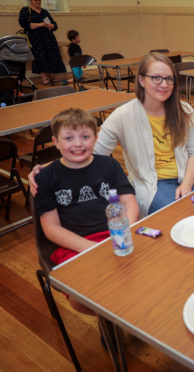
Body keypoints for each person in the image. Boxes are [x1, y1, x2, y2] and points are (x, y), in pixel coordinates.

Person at [31, 52, 194, 217]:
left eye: (169, 79)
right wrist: (48, 167)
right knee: (183, 216)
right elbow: (93, 152)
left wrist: (186, 184)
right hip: (154, 184)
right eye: (156, 78)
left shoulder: (184, 110)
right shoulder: (123, 115)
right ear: (142, 80)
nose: (164, 84)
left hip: (191, 176)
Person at [34, 108, 139, 314]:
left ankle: (129, 313)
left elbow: (129, 203)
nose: (78, 143)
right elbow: (51, 228)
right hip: (75, 244)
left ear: (95, 138)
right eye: (69, 138)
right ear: (55, 142)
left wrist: (124, 232)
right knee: (83, 296)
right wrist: (91, 247)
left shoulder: (109, 165)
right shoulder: (46, 177)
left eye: (85, 136)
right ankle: (112, 321)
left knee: (146, 271)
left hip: (117, 233)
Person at [18, 0, 66, 86]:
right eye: (36, 0)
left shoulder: (44, 12)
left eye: (39, 0)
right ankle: (45, 78)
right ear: (31, 1)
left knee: (52, 56)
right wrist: (41, 24)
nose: (38, 2)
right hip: (36, 39)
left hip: (49, 38)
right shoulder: (25, 10)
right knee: (40, 57)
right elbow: (25, 24)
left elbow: (54, 25)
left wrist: (50, 25)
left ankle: (52, 76)